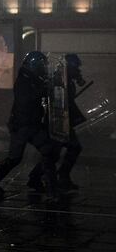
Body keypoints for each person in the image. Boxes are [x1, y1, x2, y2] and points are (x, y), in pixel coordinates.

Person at [0, 52, 61, 198]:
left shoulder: (32, 78)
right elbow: (29, 98)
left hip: (32, 124)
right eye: (41, 65)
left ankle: (40, 182)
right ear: (34, 65)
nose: (43, 68)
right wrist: (45, 88)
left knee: (50, 150)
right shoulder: (24, 81)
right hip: (22, 126)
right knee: (15, 158)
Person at [25, 53, 86, 191]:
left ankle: (42, 177)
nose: (78, 70)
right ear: (69, 67)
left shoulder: (67, 79)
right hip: (57, 122)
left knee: (60, 151)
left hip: (64, 121)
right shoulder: (59, 79)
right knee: (58, 152)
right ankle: (51, 178)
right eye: (75, 67)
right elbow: (58, 102)